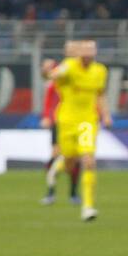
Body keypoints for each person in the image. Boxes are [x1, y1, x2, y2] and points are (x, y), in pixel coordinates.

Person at [51, 40, 110, 221]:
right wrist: (48, 72)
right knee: (71, 160)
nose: (88, 53)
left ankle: (88, 207)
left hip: (87, 122)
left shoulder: (100, 71)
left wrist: (106, 115)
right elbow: (54, 75)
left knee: (88, 160)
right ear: (80, 54)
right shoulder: (69, 66)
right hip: (67, 121)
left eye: (91, 50)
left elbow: (100, 95)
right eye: (85, 50)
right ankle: (59, 165)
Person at [39, 50, 79, 205]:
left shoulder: (67, 76)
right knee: (55, 154)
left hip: (75, 120)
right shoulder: (54, 82)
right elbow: (49, 99)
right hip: (59, 120)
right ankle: (50, 191)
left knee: (74, 158)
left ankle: (73, 193)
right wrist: (47, 116)